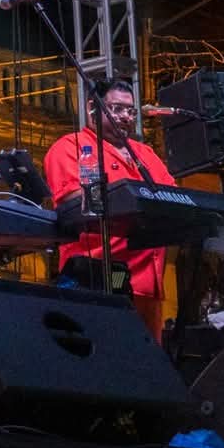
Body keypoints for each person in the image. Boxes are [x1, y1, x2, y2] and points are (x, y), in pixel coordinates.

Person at [42, 76, 176, 334]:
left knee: (146, 358)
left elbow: (172, 199)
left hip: (148, 286)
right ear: (93, 108)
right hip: (94, 281)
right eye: (116, 108)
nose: (125, 116)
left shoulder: (145, 153)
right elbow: (73, 203)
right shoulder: (70, 147)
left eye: (130, 111)